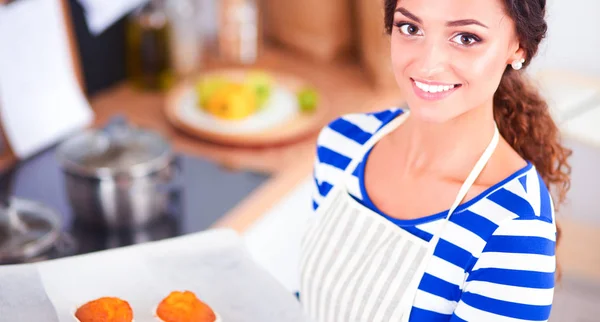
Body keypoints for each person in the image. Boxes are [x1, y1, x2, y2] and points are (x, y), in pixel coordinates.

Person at [299, 0, 572, 321]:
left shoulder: (515, 227)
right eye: (411, 28)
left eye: (466, 38)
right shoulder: (344, 143)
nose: (428, 64)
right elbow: (318, 299)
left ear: (519, 47)